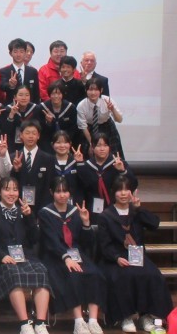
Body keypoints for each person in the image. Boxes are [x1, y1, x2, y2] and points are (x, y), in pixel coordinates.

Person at [98, 175, 173, 332]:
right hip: (115, 257)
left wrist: (139, 209)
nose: (123, 193)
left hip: (137, 255)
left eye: (127, 190)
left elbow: (154, 224)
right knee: (121, 277)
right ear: (113, 193)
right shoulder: (106, 215)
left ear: (132, 193)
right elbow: (104, 244)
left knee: (152, 275)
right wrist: (116, 258)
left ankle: (146, 315)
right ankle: (125, 317)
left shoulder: (136, 212)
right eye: (119, 190)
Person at [0, 177, 51, 334]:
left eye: (15, 189)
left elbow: (34, 239)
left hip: (25, 257)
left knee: (42, 271)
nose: (11, 193)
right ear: (0, 192)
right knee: (14, 274)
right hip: (2, 261)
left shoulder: (24, 211)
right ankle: (24, 324)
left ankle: (40, 323)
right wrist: (1, 256)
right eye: (7, 189)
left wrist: (29, 217)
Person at [38, 177, 106, 334]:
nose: (62, 195)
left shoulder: (76, 212)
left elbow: (86, 242)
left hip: (76, 253)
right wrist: (66, 258)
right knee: (72, 275)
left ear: (70, 193)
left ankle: (93, 320)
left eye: (65, 191)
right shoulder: (45, 213)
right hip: (55, 255)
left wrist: (86, 223)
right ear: (51, 192)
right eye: (58, 191)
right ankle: (79, 321)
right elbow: (51, 241)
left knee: (95, 274)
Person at [80, 134, 137, 223]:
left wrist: (122, 171)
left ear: (109, 147)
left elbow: (133, 184)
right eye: (98, 145)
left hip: (115, 205)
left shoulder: (119, 163)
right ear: (92, 147)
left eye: (105, 145)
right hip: (93, 206)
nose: (102, 149)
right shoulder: (86, 166)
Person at [10, 120, 55, 215]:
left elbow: (49, 185)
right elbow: (11, 181)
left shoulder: (48, 158)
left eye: (34, 133)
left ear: (38, 136)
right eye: (27, 133)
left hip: (41, 205)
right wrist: (16, 169)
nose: (31, 136)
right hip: (18, 205)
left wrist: (44, 210)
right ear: (21, 135)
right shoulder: (13, 157)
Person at [77, 78, 125, 158]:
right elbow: (83, 127)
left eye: (96, 90)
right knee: (89, 155)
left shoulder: (108, 100)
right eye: (90, 90)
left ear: (101, 90)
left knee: (113, 156)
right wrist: (92, 144)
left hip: (107, 127)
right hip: (89, 130)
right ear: (86, 90)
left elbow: (119, 120)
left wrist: (113, 109)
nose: (93, 93)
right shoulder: (81, 105)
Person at [39, 80, 79, 152]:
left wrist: (65, 140)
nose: (56, 96)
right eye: (53, 94)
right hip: (47, 141)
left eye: (59, 93)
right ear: (49, 94)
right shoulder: (42, 108)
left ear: (62, 94)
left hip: (66, 140)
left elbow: (73, 128)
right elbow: (41, 130)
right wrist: (48, 123)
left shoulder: (70, 107)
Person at [2, 85, 43, 154]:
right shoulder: (8, 109)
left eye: (27, 95)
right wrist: (11, 115)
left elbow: (40, 128)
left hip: (32, 143)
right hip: (13, 144)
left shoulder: (36, 109)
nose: (24, 98)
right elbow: (5, 131)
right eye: (20, 95)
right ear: (15, 97)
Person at [49, 130, 86, 207]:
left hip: (75, 204)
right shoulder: (48, 162)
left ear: (70, 144)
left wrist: (80, 163)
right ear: (52, 144)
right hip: (52, 204)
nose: (62, 146)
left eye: (65, 142)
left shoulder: (77, 162)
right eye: (58, 142)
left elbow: (85, 182)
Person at [0, 38, 40, 104]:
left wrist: (36, 107)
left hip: (30, 107)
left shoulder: (33, 71)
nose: (18, 55)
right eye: (15, 52)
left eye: (21, 51)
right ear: (10, 53)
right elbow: (2, 86)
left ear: (25, 52)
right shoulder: (4, 71)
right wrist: (11, 85)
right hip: (12, 106)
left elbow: (36, 93)